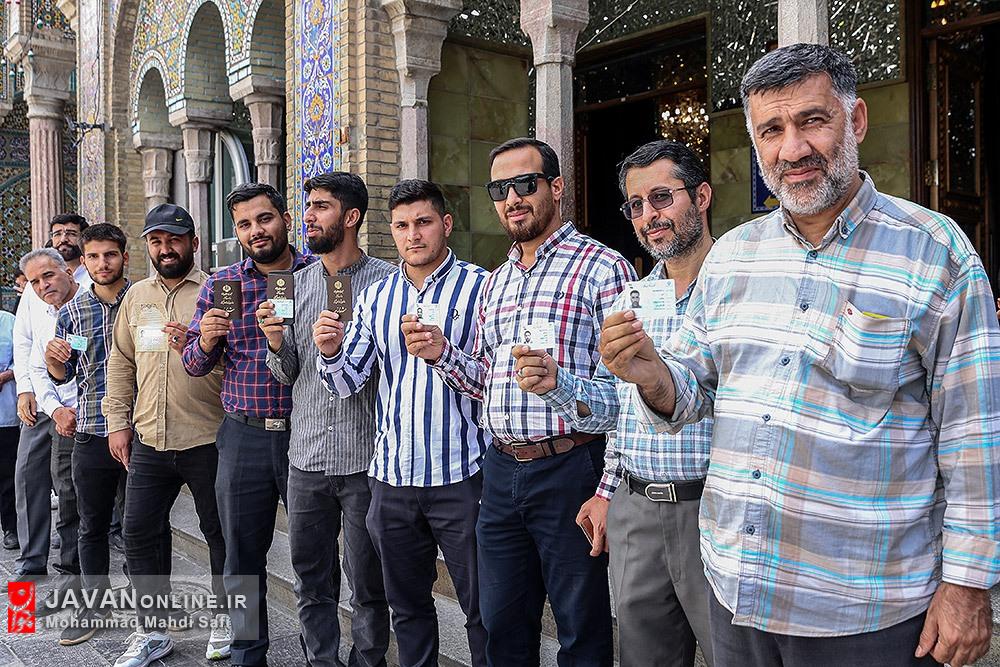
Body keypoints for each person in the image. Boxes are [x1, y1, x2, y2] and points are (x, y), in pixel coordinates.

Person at [601, 44, 1000, 667]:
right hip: (737, 591)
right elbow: (696, 391)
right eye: (771, 131)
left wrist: (969, 584)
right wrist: (651, 373)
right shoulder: (733, 256)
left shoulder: (934, 251)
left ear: (856, 120)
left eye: (813, 120)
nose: (792, 149)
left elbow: (973, 432)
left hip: (867, 609)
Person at [403, 138, 636, 666]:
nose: (512, 198)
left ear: (556, 187)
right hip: (502, 471)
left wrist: (605, 489)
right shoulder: (497, 282)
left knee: (581, 627)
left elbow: (629, 397)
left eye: (525, 184)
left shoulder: (603, 268)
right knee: (502, 625)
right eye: (499, 189)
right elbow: (487, 382)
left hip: (572, 468)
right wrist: (442, 354)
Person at [517, 140, 716, 667]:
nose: (649, 216)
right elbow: (618, 412)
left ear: (701, 196)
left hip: (715, 506)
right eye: (636, 205)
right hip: (637, 508)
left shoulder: (739, 286)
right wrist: (557, 384)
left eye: (662, 198)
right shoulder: (634, 299)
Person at [318, 179, 490, 667]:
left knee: (484, 608)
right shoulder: (377, 297)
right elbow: (346, 382)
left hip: (463, 474)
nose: (412, 234)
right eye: (401, 226)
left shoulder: (482, 287)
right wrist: (329, 352)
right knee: (408, 609)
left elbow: (496, 382)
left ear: (446, 224)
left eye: (423, 222)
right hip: (392, 479)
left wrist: (444, 354)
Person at [259, 173, 392, 666]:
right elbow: (286, 373)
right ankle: (321, 660)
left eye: (321, 207)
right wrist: (276, 343)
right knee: (311, 580)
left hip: (367, 459)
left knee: (368, 583)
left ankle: (369, 661)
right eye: (308, 206)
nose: (308, 217)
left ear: (351, 217)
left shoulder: (389, 282)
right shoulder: (290, 285)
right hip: (307, 458)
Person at [182, 182, 316, 667]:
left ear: (285, 219)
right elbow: (193, 363)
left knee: (312, 556)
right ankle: (246, 654)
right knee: (241, 556)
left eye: (264, 218)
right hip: (244, 434)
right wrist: (206, 340)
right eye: (244, 224)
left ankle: (318, 653)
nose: (255, 231)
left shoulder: (317, 275)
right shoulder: (224, 285)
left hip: (307, 434)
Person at [102, 204, 231, 666]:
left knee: (220, 533)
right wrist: (118, 422)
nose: (165, 249)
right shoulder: (136, 296)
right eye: (156, 241)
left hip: (208, 437)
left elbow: (237, 362)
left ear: (194, 243)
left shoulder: (217, 291)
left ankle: (226, 620)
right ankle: (152, 631)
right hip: (149, 438)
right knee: (139, 533)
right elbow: (121, 362)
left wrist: (198, 345)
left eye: (174, 240)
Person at [45, 223, 131, 646]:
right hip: (92, 431)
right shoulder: (72, 313)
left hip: (140, 431)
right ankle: (94, 609)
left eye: (110, 254)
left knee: (142, 526)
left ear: (124, 257)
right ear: (84, 261)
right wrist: (54, 360)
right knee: (90, 525)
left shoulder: (143, 300)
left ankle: (150, 609)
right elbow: (64, 374)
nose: (102, 263)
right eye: (93, 256)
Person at [11, 215, 90, 585]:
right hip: (43, 400)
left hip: (81, 405)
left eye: (70, 233)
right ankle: (32, 558)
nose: (42, 285)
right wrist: (25, 389)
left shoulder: (90, 290)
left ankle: (78, 562)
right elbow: (25, 342)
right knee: (28, 473)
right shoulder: (35, 293)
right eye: (57, 233)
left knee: (73, 485)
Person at [0, 309, 17, 550]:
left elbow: (22, 358)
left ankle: (10, 527)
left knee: (7, 476)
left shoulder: (8, 322)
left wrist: (5, 375)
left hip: (6, 415)